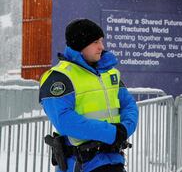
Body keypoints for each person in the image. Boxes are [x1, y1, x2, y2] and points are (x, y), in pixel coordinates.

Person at [39, 19, 139, 172]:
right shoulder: (59, 78)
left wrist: (124, 129)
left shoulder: (110, 72)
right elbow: (64, 120)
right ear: (80, 46)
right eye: (95, 42)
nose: (101, 47)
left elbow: (129, 105)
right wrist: (112, 133)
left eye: (101, 41)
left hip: (114, 160)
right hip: (81, 164)